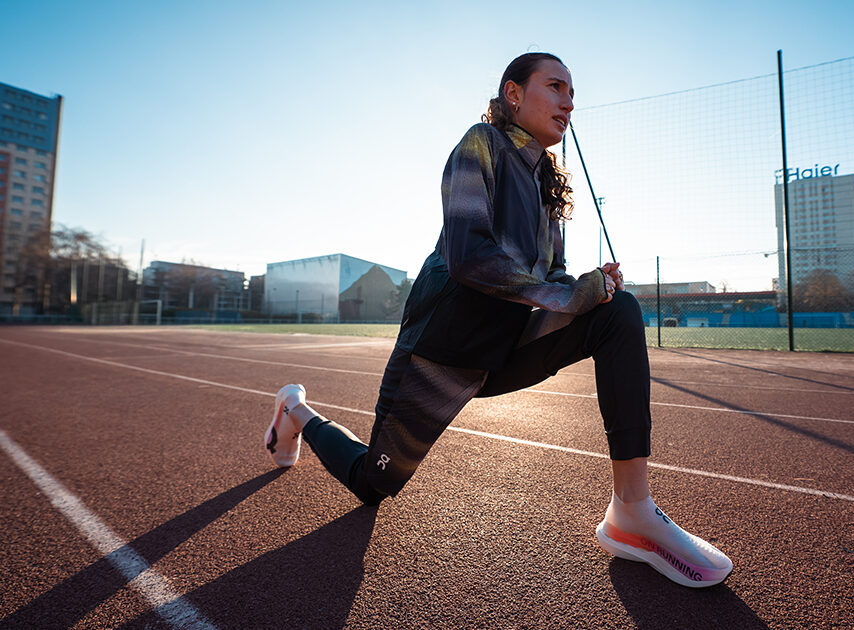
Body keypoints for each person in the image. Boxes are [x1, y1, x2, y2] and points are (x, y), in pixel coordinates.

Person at [263, 52, 732, 588]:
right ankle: (296, 410)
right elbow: (468, 256)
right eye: (555, 87)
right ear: (514, 93)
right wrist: (569, 296)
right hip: (441, 355)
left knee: (617, 312)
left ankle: (631, 511)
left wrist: (589, 288)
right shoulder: (479, 145)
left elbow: (553, 282)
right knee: (374, 485)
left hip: (504, 351)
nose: (568, 101)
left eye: (572, 93)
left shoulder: (549, 193)